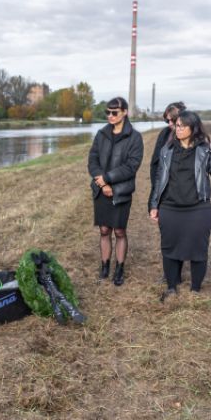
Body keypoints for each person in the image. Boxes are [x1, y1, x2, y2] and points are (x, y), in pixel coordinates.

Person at [148, 110, 211, 301]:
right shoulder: (167, 150)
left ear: (193, 128)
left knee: (198, 250)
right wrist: (154, 204)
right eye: (176, 126)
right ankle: (171, 287)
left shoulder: (204, 149)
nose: (177, 129)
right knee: (169, 248)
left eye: (181, 126)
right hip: (170, 207)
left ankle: (195, 290)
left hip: (198, 208)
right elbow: (160, 179)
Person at [87, 97, 144, 286]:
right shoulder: (101, 134)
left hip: (121, 191)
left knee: (119, 231)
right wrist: (102, 184)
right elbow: (92, 160)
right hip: (101, 190)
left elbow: (131, 166)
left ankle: (119, 269)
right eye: (108, 112)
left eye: (114, 112)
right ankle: (105, 266)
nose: (110, 116)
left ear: (125, 112)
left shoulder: (135, 138)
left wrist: (109, 179)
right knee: (104, 230)